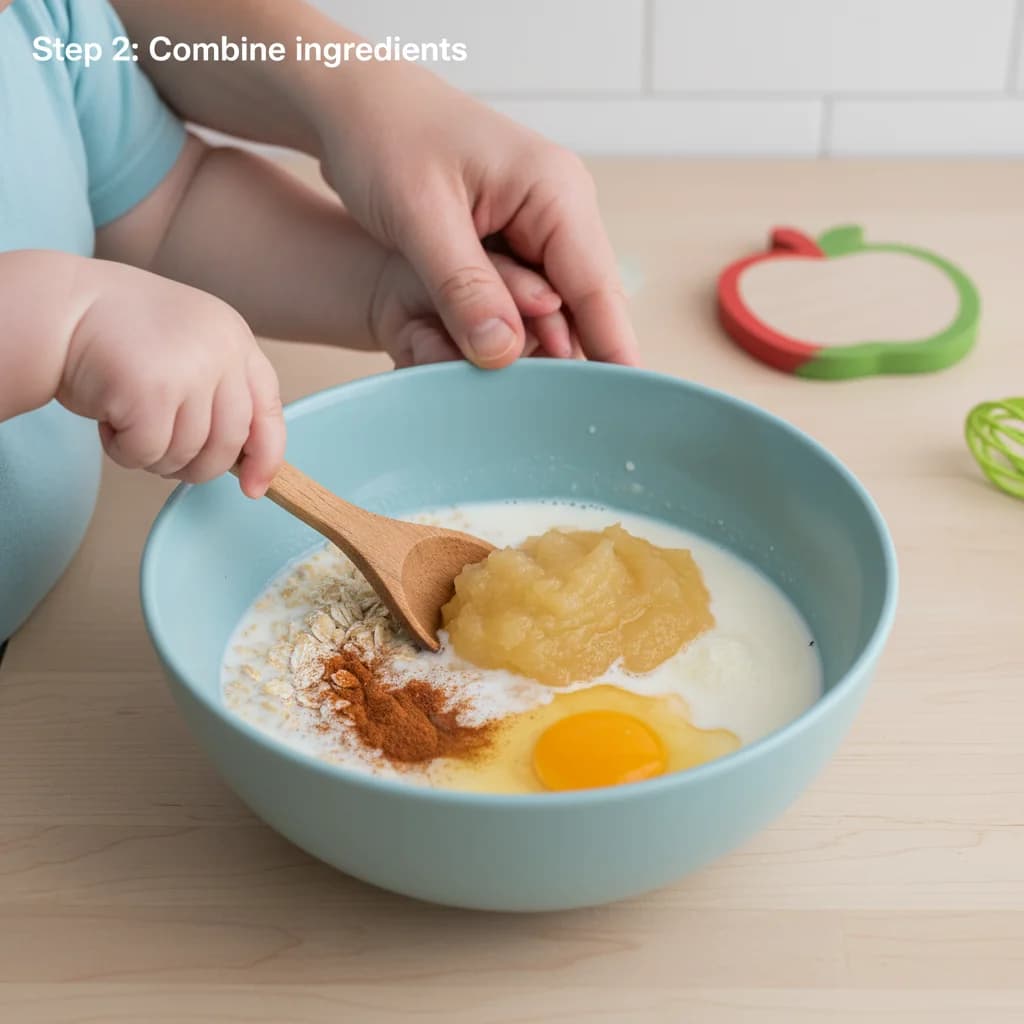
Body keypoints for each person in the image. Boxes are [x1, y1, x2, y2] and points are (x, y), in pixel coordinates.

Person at [0, 0, 639, 641]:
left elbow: (165, 206)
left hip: (55, 618)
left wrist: (380, 286)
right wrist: (63, 321)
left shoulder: (40, 20)